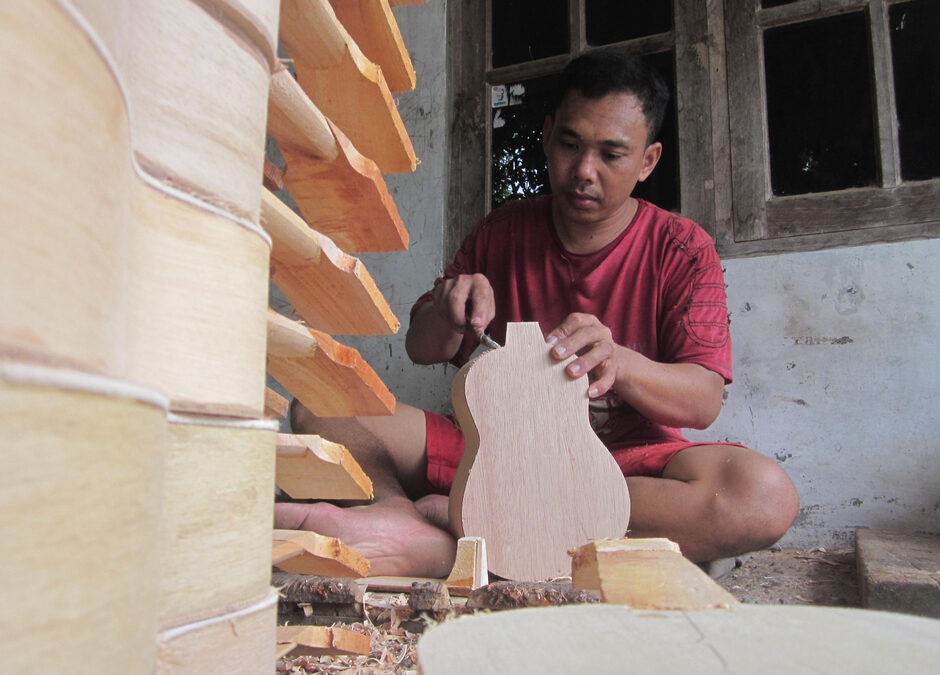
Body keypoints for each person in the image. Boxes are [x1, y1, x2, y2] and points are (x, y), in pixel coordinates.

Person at [275, 51, 799, 579]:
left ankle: (457, 537)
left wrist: (617, 360)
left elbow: (702, 399)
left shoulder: (682, 248)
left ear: (648, 161)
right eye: (570, 145)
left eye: (611, 155)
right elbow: (422, 348)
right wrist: (449, 311)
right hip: (496, 450)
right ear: (547, 135)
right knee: (324, 407)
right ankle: (397, 516)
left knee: (761, 497)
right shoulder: (502, 231)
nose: (583, 172)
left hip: (623, 463)